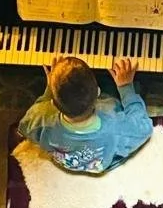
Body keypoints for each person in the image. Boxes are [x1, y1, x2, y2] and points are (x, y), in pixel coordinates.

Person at [19, 55, 154, 175]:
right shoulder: (115, 129)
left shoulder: (40, 119)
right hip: (103, 162)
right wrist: (126, 87)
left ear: (53, 104)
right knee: (118, 94)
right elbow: (144, 128)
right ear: (98, 93)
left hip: (67, 162)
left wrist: (50, 89)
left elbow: (24, 126)